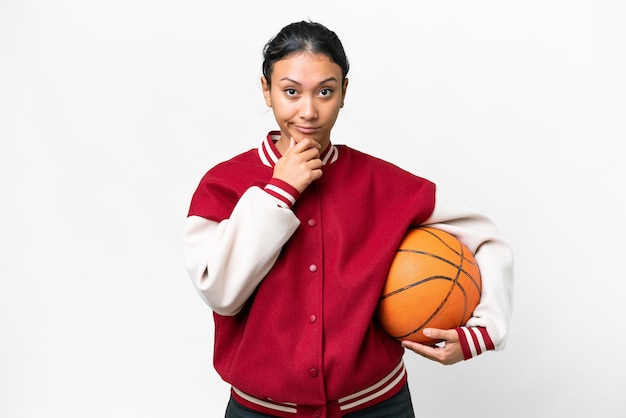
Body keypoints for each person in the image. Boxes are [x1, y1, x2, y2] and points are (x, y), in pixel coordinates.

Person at [184, 20, 513, 418]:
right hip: (260, 411)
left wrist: (484, 331)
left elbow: (484, 237)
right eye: (291, 91)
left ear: (343, 93)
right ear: (266, 90)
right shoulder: (223, 184)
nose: (309, 111)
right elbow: (219, 292)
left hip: (378, 407)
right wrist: (280, 192)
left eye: (325, 91)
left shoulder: (381, 182)